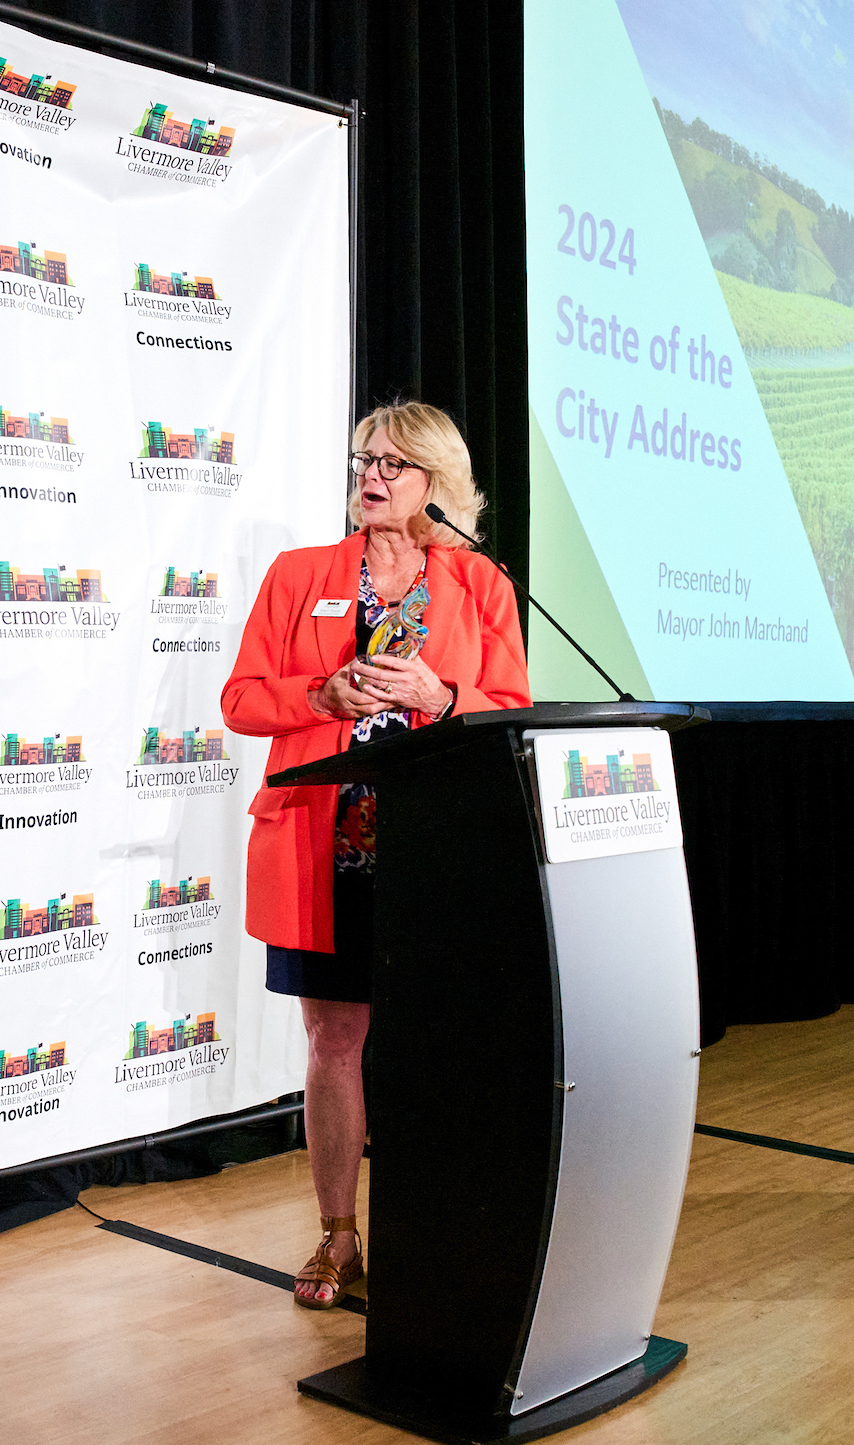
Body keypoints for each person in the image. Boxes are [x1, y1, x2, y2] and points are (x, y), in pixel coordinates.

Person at [221, 401, 530, 1310]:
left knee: (437, 1044)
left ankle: (436, 1230)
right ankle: (338, 1234)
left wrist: (443, 695)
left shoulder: (480, 583)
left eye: (394, 463)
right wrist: (319, 695)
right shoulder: (300, 575)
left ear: (438, 482)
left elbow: (513, 708)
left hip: (439, 850)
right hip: (325, 851)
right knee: (334, 1040)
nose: (372, 475)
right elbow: (241, 699)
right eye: (365, 459)